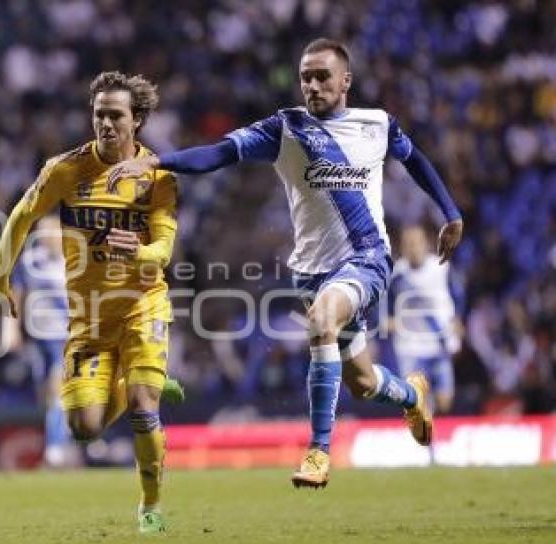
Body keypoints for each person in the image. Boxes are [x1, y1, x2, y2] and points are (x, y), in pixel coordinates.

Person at [111, 38, 464, 488]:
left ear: (346, 81)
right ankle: (413, 394)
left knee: (321, 321)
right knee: (362, 381)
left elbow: (417, 163)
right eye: (306, 78)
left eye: (322, 76)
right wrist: (159, 164)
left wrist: (450, 213)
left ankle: (318, 451)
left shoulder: (378, 125)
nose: (313, 85)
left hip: (366, 259)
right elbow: (218, 153)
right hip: (311, 272)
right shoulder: (286, 127)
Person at [0, 71, 184, 532]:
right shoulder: (65, 170)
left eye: (115, 115)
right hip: (89, 319)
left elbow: (164, 251)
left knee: (143, 407)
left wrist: (138, 252)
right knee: (83, 428)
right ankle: (142, 381)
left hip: (142, 305)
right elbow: (20, 217)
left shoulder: (157, 175)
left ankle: (150, 506)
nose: (106, 124)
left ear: (136, 120)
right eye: (99, 115)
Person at [10, 214, 77, 467]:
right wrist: (12, 329)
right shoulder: (30, 262)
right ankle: (64, 436)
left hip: (65, 337)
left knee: (56, 388)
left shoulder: (74, 262)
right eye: (44, 232)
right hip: (39, 337)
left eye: (54, 232)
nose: (49, 237)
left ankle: (55, 448)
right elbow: (17, 294)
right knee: (47, 396)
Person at [390, 225, 462, 415]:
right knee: (418, 402)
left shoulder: (441, 267)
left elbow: (457, 293)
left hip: (439, 342)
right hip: (411, 347)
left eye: (416, 243)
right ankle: (426, 439)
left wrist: (459, 319)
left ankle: (433, 427)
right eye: (407, 244)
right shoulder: (397, 274)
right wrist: (388, 320)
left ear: (426, 244)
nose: (412, 248)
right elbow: (385, 304)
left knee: (445, 402)